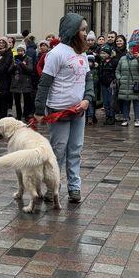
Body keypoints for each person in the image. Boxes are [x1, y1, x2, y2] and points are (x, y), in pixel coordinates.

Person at [34, 14, 93, 203]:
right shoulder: (56, 53)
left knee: (75, 150)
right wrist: (38, 111)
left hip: (78, 111)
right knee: (58, 151)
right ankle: (53, 188)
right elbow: (44, 84)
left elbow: (88, 79)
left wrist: (87, 99)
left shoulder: (82, 52)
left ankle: (74, 188)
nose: (85, 33)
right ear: (73, 31)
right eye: (82, 29)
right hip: (59, 111)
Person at [115, 42, 139, 127]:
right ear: (129, 48)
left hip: (136, 84)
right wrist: (119, 78)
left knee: (137, 102)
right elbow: (117, 70)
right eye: (131, 48)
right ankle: (125, 119)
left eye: (134, 48)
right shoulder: (123, 58)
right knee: (125, 102)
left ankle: (137, 119)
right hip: (125, 84)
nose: (132, 50)